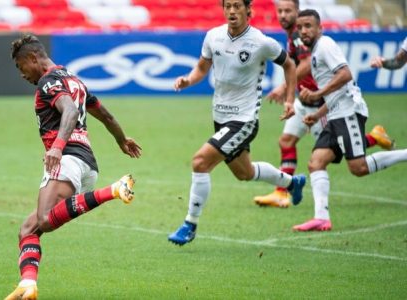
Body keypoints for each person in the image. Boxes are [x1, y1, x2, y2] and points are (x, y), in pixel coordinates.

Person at [5, 35, 142, 300]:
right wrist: (121, 139)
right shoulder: (75, 80)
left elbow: (68, 110)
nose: (23, 74)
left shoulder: (49, 81)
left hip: (66, 158)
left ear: (33, 58)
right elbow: (107, 116)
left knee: (44, 219)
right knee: (28, 228)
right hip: (87, 164)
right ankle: (28, 285)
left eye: (21, 67)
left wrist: (56, 146)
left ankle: (114, 190)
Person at [167, 0, 306, 246]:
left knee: (200, 162)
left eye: (237, 6)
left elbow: (290, 64)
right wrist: (188, 81)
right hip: (220, 118)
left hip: (244, 120)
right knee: (245, 173)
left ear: (248, 11)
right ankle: (292, 183)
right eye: (227, 6)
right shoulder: (213, 36)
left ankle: (190, 224)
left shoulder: (261, 42)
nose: (232, 11)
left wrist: (289, 99)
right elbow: (201, 67)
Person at [254, 0, 396, 208]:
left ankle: (373, 138)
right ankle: (281, 192)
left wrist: (285, 87)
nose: (283, 15)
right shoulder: (294, 34)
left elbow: (305, 64)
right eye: (280, 11)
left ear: (297, 11)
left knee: (340, 152)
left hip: (322, 103)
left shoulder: (300, 35)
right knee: (286, 141)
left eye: (288, 11)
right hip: (306, 101)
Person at [293, 9, 407, 231]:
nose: (304, 31)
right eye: (300, 27)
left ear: (319, 28)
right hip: (335, 113)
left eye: (308, 26)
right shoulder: (316, 52)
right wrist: (317, 114)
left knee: (359, 168)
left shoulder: (325, 45)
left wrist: (316, 95)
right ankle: (321, 218)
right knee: (316, 162)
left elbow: (346, 75)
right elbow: (336, 91)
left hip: (348, 112)